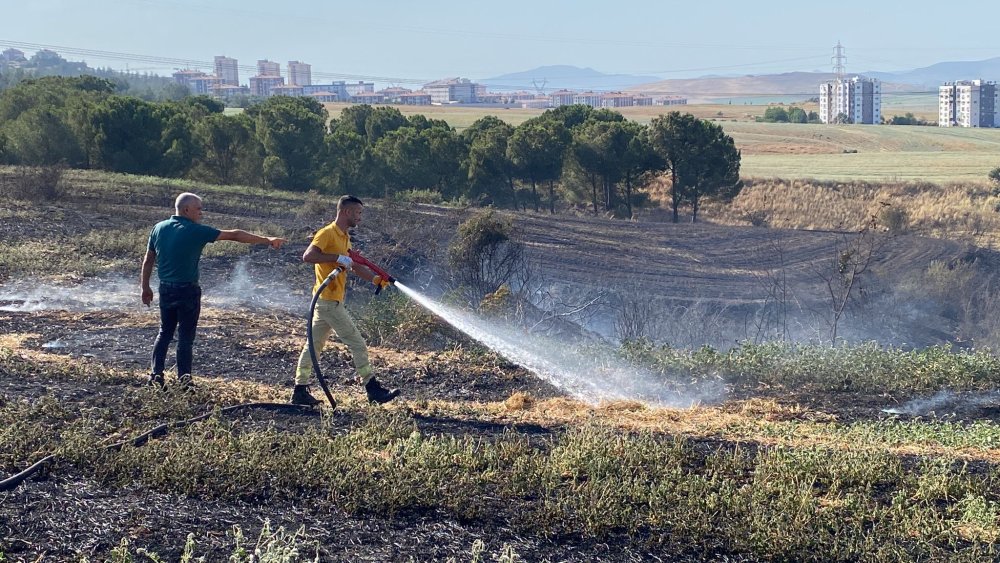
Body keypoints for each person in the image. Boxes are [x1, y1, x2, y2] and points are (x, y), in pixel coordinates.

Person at [140, 192, 285, 389]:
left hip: (165, 288)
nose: (201, 212)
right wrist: (267, 239)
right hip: (188, 291)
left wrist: (145, 287)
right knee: (185, 337)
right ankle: (184, 382)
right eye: (198, 208)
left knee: (164, 332)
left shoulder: (159, 228)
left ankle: (156, 376)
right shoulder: (195, 230)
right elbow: (235, 235)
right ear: (186, 210)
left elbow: (148, 260)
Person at [292, 195, 399, 406]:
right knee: (358, 344)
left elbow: (353, 265)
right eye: (358, 213)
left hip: (327, 301)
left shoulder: (345, 238)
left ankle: (299, 390)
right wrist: (335, 258)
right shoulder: (327, 233)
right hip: (328, 301)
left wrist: (375, 279)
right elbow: (308, 256)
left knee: (313, 346)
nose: (360, 217)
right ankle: (372, 389)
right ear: (347, 212)